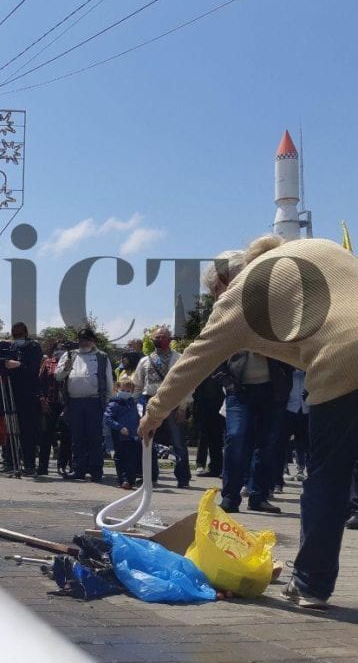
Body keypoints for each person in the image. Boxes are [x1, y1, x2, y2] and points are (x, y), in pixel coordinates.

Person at [139, 234, 358, 608]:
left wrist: (155, 412)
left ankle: (310, 584)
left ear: (223, 284)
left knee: (328, 478)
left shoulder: (240, 297)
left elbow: (195, 359)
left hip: (343, 361)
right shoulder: (315, 246)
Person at [213, 351, 288, 513]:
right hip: (239, 391)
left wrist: (284, 383)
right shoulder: (233, 326)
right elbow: (215, 351)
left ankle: (258, 497)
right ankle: (230, 497)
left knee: (267, 444)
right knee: (236, 437)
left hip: (271, 391)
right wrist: (226, 380)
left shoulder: (278, 326)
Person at [134, 326, 191, 488]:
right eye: (157, 337)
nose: (160, 340)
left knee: (178, 441)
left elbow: (187, 384)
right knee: (147, 439)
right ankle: (149, 476)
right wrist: (136, 405)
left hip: (173, 401)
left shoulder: (180, 358)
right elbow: (138, 385)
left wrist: (182, 407)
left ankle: (183, 477)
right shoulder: (144, 361)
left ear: (170, 339)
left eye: (163, 337)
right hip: (149, 401)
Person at [55, 327, 113, 482]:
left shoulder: (102, 357)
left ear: (93, 341)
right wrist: (66, 368)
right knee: (77, 438)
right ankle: (78, 469)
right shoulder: (70, 355)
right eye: (81, 339)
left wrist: (107, 402)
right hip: (74, 402)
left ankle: (96, 471)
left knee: (94, 438)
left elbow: (108, 381)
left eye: (87, 339)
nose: (84, 342)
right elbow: (58, 377)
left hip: (94, 402)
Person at [5, 322, 43, 475]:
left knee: (28, 431)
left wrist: (18, 365)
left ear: (26, 333)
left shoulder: (33, 346)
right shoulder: (10, 347)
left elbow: (33, 367)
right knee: (10, 429)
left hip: (28, 393)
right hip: (11, 390)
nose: (18, 335)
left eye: (20, 333)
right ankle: (9, 461)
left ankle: (29, 464)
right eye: (16, 333)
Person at [37, 341, 70, 476]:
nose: (60, 350)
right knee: (46, 435)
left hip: (67, 404)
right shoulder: (48, 363)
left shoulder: (72, 362)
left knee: (67, 435)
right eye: (58, 348)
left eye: (63, 348)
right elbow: (40, 383)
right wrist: (42, 400)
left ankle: (63, 466)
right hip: (50, 403)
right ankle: (43, 467)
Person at [105, 374, 142, 490]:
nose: (125, 392)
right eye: (123, 390)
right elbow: (108, 419)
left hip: (132, 436)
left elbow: (137, 418)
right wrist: (120, 427)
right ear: (117, 389)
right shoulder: (113, 404)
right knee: (121, 458)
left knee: (132, 458)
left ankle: (130, 480)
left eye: (128, 390)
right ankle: (123, 479)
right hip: (119, 436)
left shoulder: (133, 404)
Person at [192, 372, 226, 477]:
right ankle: (200, 464)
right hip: (203, 405)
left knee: (217, 438)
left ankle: (216, 467)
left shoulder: (222, 367)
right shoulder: (203, 367)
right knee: (204, 436)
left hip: (218, 405)